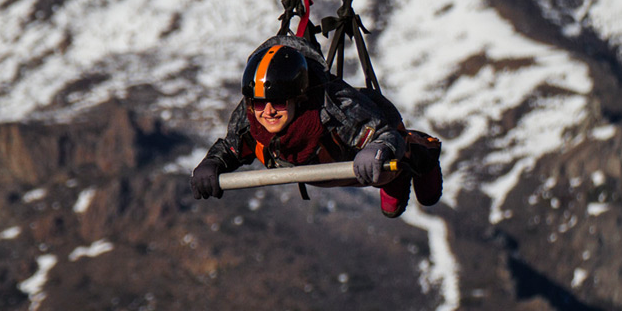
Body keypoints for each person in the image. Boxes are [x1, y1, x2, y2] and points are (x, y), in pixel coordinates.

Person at [189, 35, 442, 218]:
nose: (267, 111)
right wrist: (213, 163)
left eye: (278, 102)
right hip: (322, 168)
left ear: (298, 98)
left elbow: (384, 133)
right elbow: (231, 148)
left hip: (365, 147)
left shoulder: (335, 109)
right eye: (258, 103)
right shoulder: (250, 119)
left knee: (393, 172)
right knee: (386, 195)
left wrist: (379, 148)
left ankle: (422, 154)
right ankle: (389, 176)